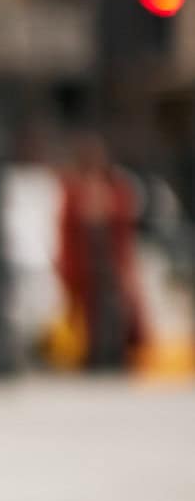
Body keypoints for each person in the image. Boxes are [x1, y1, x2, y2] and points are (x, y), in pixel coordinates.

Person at [54, 127, 148, 371]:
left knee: (117, 314)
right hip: (86, 267)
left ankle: (117, 357)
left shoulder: (116, 188)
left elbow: (124, 229)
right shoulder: (73, 191)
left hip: (111, 265)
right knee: (88, 318)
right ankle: (93, 358)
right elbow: (67, 228)